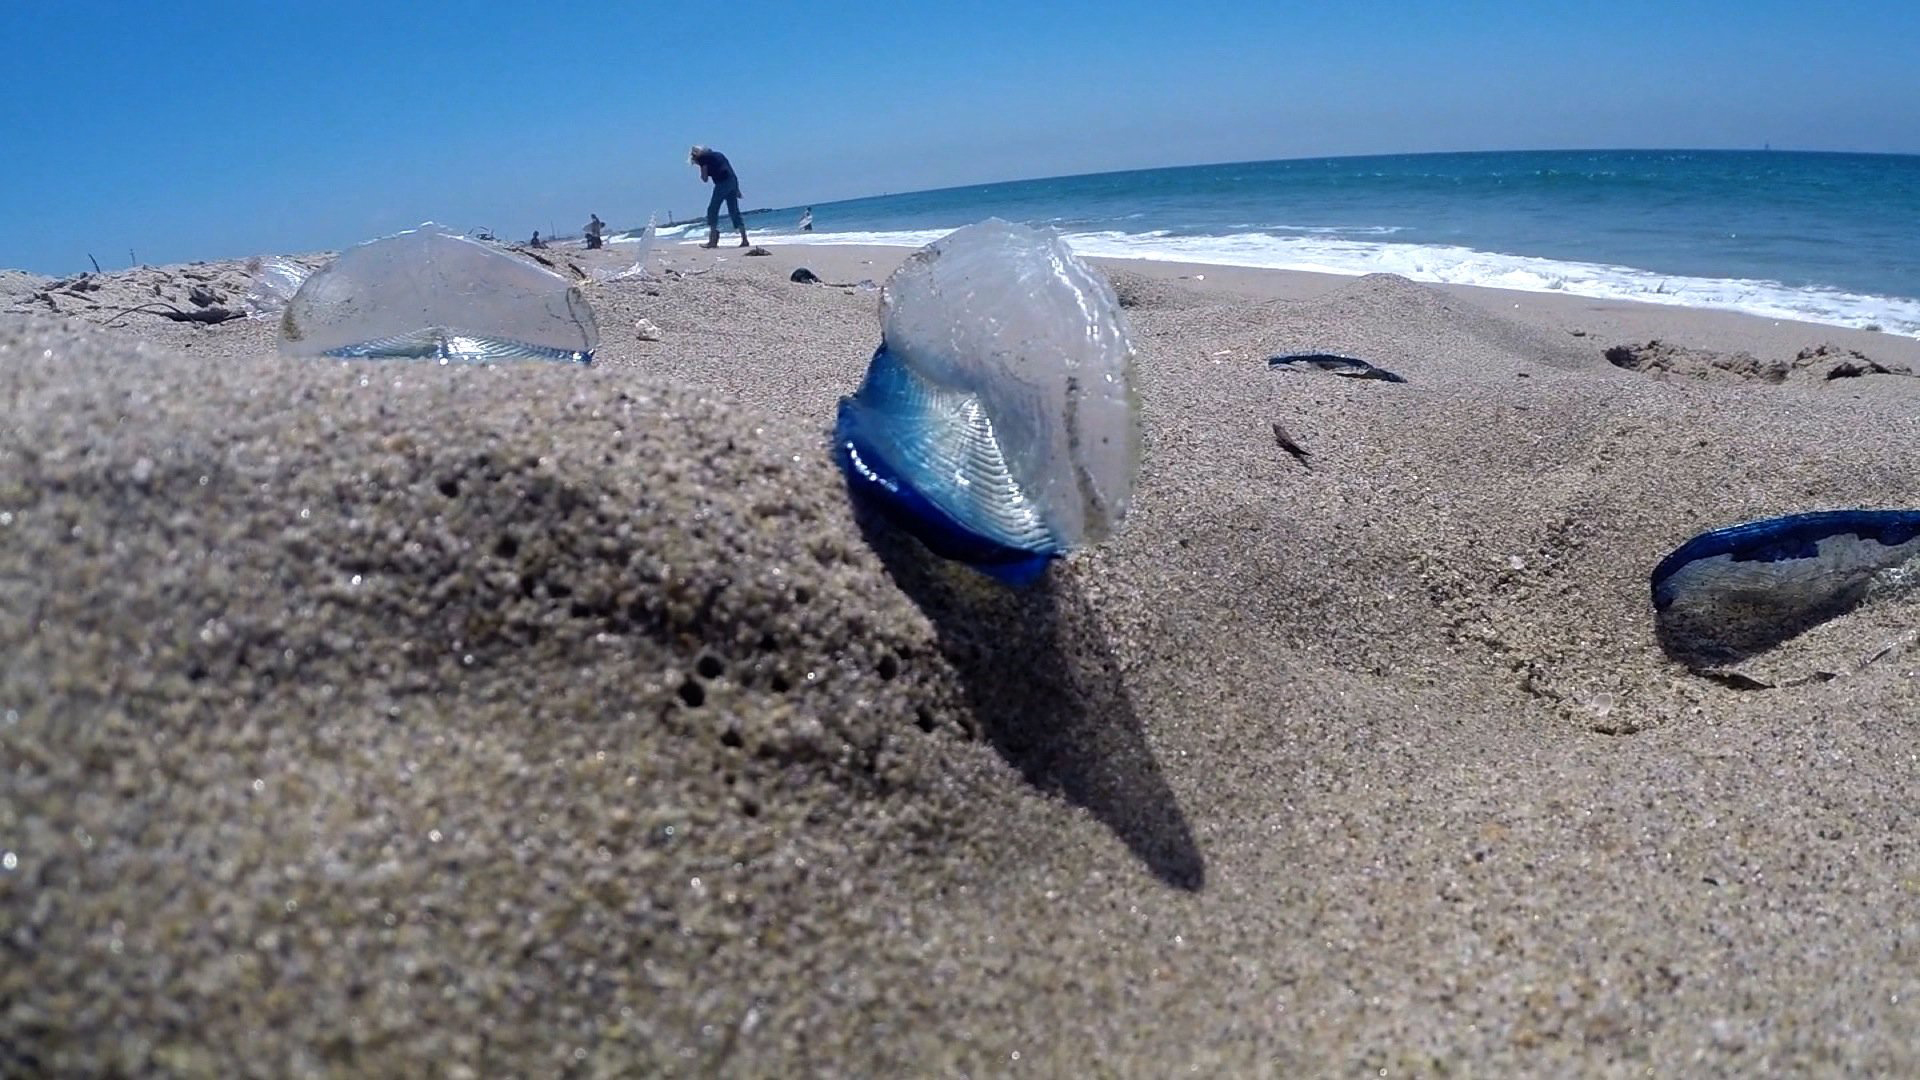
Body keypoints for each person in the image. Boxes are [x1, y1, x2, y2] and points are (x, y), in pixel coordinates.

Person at [689, 145, 749, 248]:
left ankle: (713, 240)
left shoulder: (703, 159)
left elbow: (704, 179)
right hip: (732, 181)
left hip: (722, 183)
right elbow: (731, 171)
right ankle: (744, 239)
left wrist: (702, 171)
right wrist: (737, 189)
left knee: (712, 209)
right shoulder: (719, 154)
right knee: (734, 211)